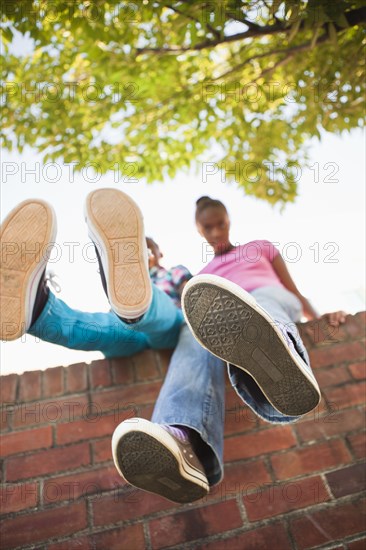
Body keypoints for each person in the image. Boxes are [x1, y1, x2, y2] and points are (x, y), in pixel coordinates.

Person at [111, 195, 346, 504]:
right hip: (229, 319)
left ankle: (282, 349)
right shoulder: (203, 275)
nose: (215, 232)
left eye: (219, 224)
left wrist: (319, 318)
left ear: (228, 220)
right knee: (191, 330)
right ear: (199, 229)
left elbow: (293, 291)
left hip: (270, 298)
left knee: (262, 302)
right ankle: (181, 439)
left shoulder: (260, 247)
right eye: (207, 227)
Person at [0, 188, 190, 355]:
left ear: (160, 253)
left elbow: (192, 295)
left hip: (166, 330)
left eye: (147, 251)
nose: (146, 255)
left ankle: (138, 307)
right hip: (124, 331)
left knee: (164, 314)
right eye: (140, 250)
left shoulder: (173, 272)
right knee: (99, 328)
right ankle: (38, 310)